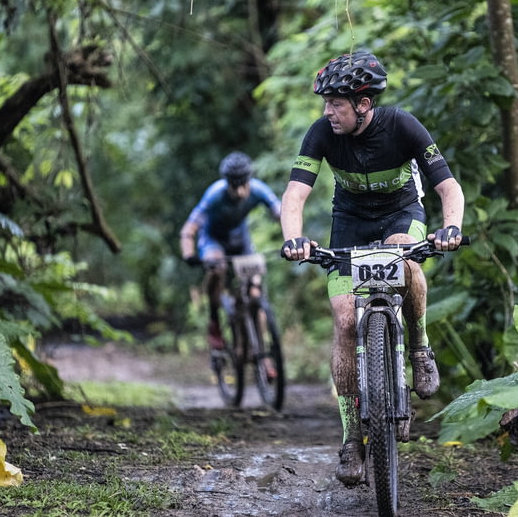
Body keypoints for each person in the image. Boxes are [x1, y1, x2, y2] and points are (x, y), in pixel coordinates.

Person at [279, 51, 465, 486]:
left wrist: (450, 227)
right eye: (325, 104)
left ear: (363, 103)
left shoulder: (402, 126)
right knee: (345, 319)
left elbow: (447, 186)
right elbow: (295, 193)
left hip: (402, 215)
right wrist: (294, 237)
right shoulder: (322, 134)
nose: (327, 112)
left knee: (404, 259)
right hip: (350, 224)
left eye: (335, 104)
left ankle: (419, 346)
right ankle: (350, 437)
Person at [180, 151, 282, 353]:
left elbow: (281, 213)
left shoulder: (259, 190)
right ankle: (214, 320)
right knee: (217, 269)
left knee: (255, 292)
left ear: (249, 180)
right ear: (227, 183)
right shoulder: (214, 195)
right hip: (213, 240)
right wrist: (189, 255)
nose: (240, 192)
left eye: (243, 184)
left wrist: (294, 240)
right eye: (234, 186)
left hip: (240, 241)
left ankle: (264, 355)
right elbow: (189, 230)